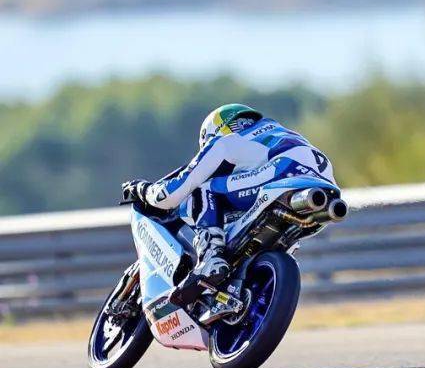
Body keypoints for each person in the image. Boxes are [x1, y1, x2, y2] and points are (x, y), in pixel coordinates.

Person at [123, 104, 336, 284]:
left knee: (204, 189)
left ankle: (212, 257)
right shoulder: (279, 134)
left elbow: (170, 195)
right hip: (326, 194)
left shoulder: (226, 141)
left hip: (281, 175)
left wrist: (142, 189)